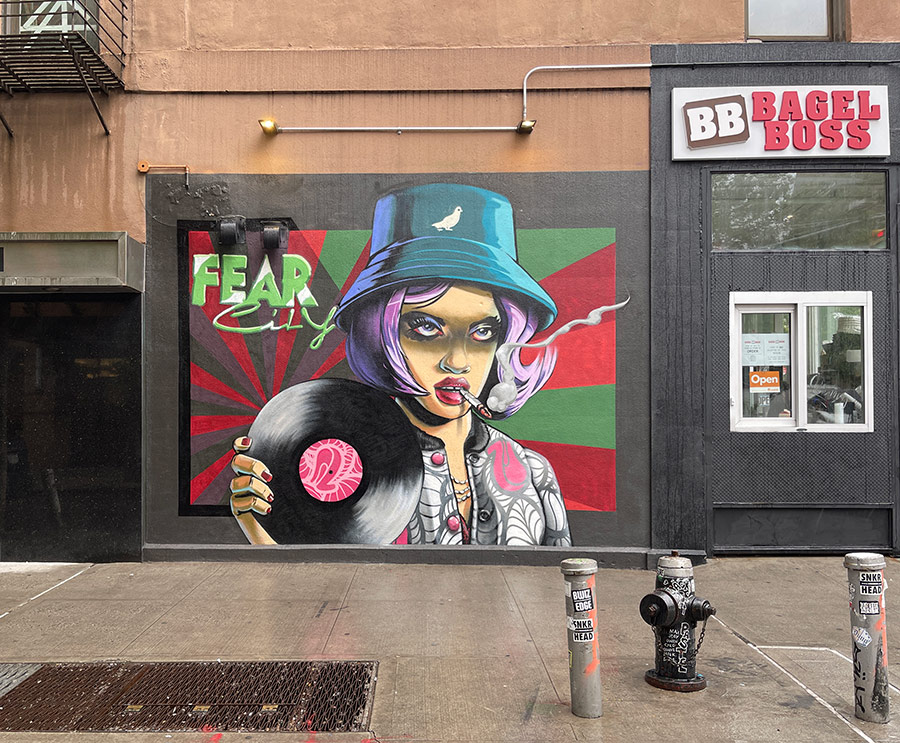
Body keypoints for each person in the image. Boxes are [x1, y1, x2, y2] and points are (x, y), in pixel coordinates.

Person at [229, 183, 572, 546]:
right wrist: (264, 534)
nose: (457, 362)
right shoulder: (343, 467)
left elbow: (567, 572)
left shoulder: (534, 473)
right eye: (426, 327)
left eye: (482, 331)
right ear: (382, 332)